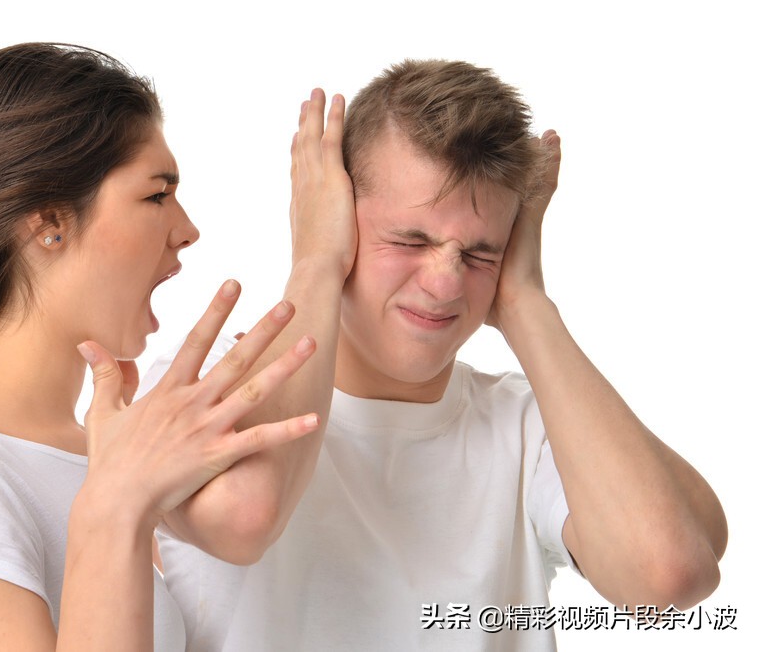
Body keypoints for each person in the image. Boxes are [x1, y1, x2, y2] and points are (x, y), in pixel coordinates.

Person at [141, 61, 729, 650]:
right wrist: (316, 263)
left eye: (480, 254)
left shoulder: (527, 423)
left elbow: (669, 576)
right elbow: (244, 519)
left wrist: (526, 303)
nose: (446, 283)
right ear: (334, 215)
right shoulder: (199, 386)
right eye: (409, 240)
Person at [0, 42, 334, 650]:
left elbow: (246, 519)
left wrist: (322, 265)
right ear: (49, 224)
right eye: (156, 195)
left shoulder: (94, 457)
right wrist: (119, 501)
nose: (186, 231)